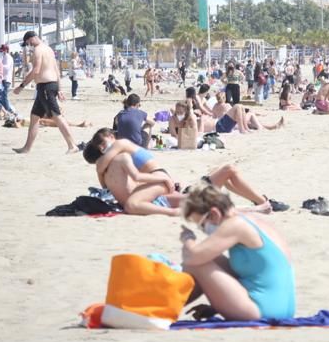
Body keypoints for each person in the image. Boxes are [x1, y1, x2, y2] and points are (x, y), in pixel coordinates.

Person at [82, 129, 275, 216]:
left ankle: (261, 203)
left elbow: (104, 174)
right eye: (110, 137)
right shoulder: (117, 150)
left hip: (159, 178)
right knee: (220, 182)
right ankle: (260, 204)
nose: (114, 138)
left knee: (226, 173)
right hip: (158, 179)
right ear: (103, 143)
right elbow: (104, 171)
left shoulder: (119, 151)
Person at [179, 184, 295, 321]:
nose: (203, 230)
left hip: (260, 310)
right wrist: (216, 305)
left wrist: (188, 239)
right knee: (212, 258)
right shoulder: (250, 221)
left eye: (202, 224)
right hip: (282, 309)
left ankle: (165, 307)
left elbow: (193, 258)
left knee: (196, 264)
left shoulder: (235, 225)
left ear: (215, 214)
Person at [12, 31, 78, 154]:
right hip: (46, 87)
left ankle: (72, 145)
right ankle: (27, 148)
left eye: (28, 42)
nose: (29, 45)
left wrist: (21, 86)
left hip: (46, 87)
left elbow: (36, 71)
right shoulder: (48, 49)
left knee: (57, 116)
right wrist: (59, 89)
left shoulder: (38, 50)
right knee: (34, 117)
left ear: (33, 38)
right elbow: (56, 70)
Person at [211, 91, 284, 133]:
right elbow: (236, 114)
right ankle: (264, 128)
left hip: (227, 124)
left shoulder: (214, 106)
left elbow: (214, 117)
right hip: (234, 124)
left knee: (251, 123)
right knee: (251, 115)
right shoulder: (226, 105)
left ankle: (271, 127)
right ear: (224, 98)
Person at [0, 45, 16, 114]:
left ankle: (10, 111)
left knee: (3, 96)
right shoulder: (5, 57)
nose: (0, 52)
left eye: (1, 51)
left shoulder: (8, 57)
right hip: (4, 78)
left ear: (5, 50)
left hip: (6, 79)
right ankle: (9, 110)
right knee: (2, 97)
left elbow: (7, 67)